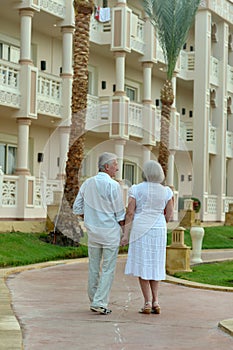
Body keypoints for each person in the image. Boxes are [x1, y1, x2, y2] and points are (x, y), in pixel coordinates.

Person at [73, 152, 125, 315]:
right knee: (108, 268)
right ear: (107, 166)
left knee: (94, 267)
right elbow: (120, 214)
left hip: (93, 232)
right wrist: (125, 231)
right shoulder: (113, 185)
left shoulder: (88, 183)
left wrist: (90, 216)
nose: (117, 167)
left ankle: (94, 299)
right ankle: (99, 302)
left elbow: (77, 208)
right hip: (110, 232)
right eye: (115, 164)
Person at [121, 160, 174, 314]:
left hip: (141, 227)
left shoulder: (136, 189)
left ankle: (147, 302)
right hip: (158, 228)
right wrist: (160, 222)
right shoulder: (166, 191)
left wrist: (125, 235)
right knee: (155, 263)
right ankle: (156, 301)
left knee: (143, 264)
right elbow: (169, 214)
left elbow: (130, 212)